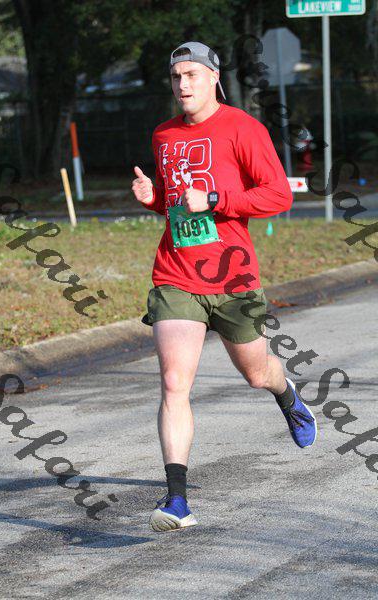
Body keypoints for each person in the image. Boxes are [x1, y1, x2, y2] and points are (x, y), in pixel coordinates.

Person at [131, 41, 317, 533]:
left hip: (233, 278)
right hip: (176, 273)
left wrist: (214, 198)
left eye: (192, 74)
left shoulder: (243, 128)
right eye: (176, 76)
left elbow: (277, 194)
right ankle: (177, 500)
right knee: (174, 382)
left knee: (257, 374)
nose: (183, 84)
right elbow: (176, 201)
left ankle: (286, 395)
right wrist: (153, 198)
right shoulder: (164, 134)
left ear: (214, 77)